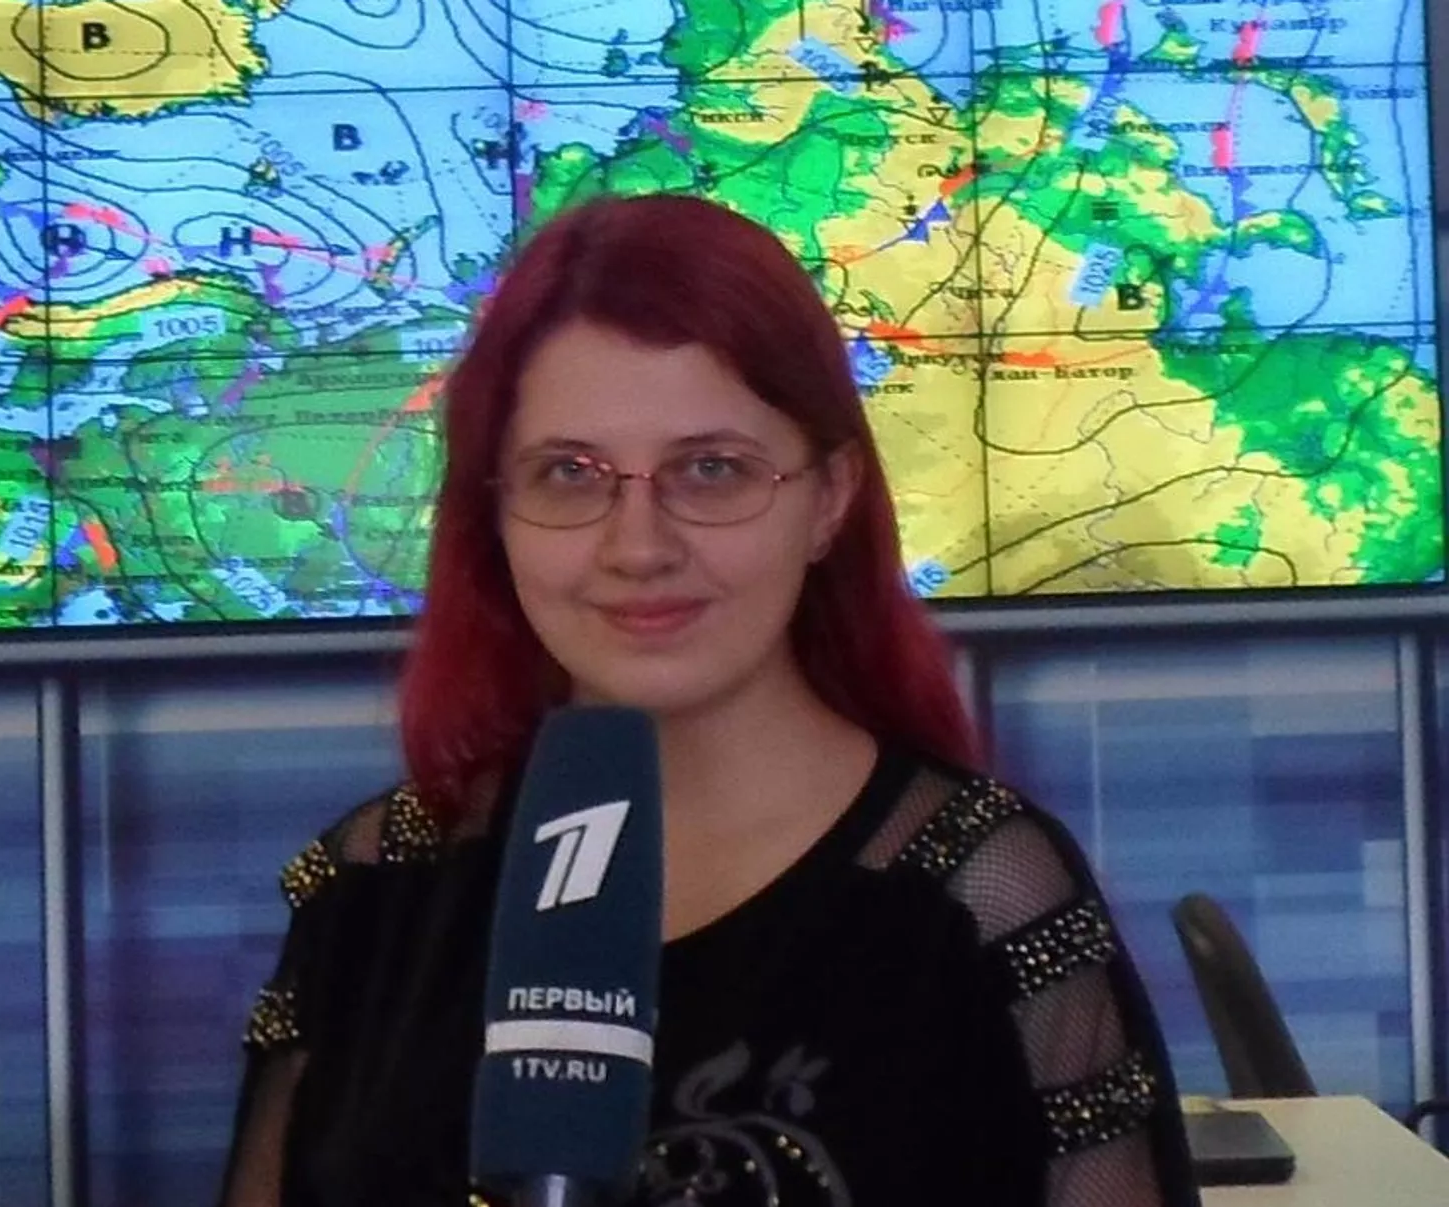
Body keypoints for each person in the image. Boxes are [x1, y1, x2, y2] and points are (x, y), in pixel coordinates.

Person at [219, 193, 1201, 1207]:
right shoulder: (374, 886)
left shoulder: (977, 891)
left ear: (829, 498)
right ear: (494, 513)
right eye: (569, 473)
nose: (639, 546)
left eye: (712, 469)